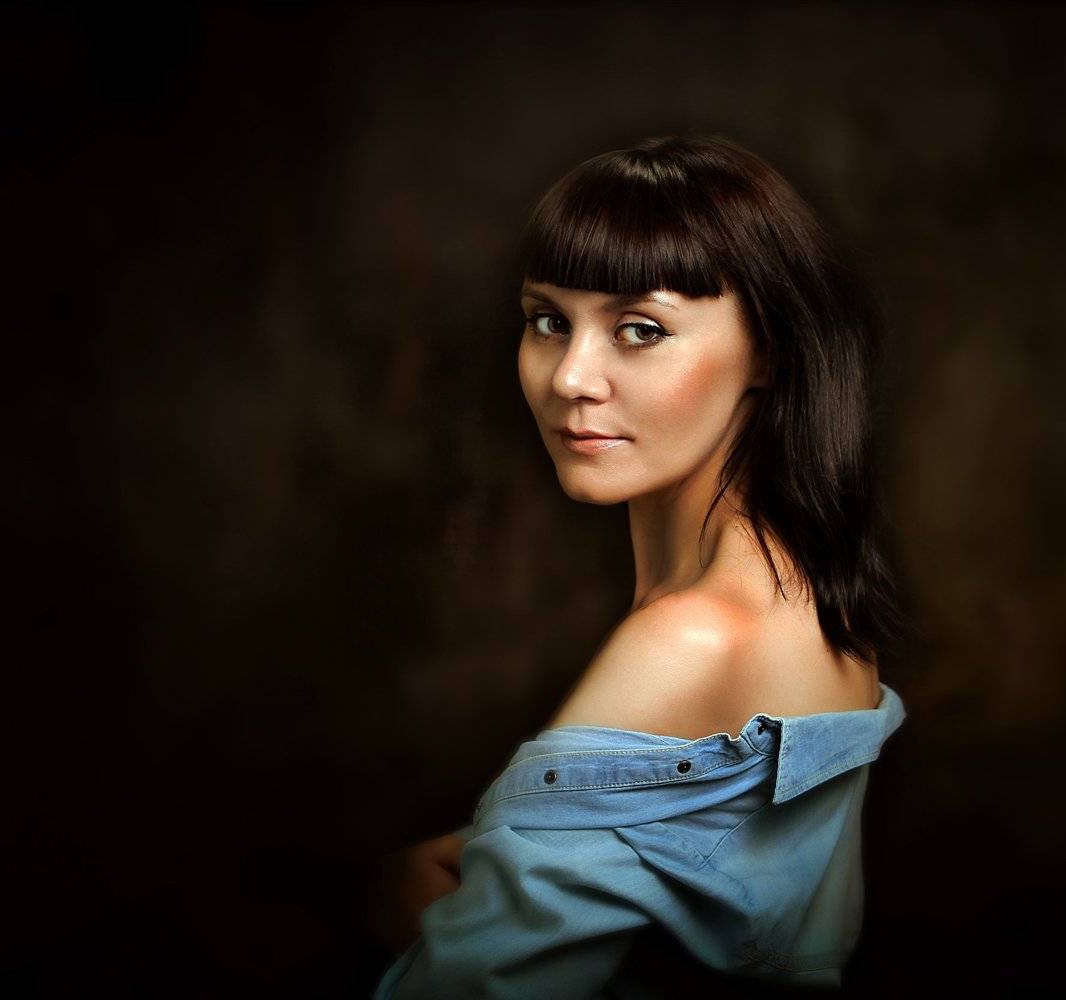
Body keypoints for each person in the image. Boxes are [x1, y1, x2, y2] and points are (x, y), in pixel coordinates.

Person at [370, 132, 910, 998]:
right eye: (548, 321)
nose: (571, 378)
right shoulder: (806, 593)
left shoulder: (693, 640)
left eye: (640, 329)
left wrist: (417, 915)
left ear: (769, 349)